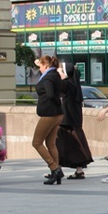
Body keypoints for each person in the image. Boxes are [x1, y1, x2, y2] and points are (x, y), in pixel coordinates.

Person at [56, 63, 93, 179]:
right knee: (76, 147)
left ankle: (57, 169)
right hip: (72, 121)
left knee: (61, 146)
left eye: (61, 71)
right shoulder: (73, 84)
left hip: (66, 121)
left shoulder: (67, 84)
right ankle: (78, 170)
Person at [33, 55, 64, 185]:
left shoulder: (47, 78)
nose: (39, 69)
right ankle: (55, 174)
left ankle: (54, 168)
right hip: (58, 114)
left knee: (37, 142)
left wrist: (56, 102)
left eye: (40, 66)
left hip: (49, 114)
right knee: (51, 143)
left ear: (45, 66)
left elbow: (50, 94)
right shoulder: (55, 74)